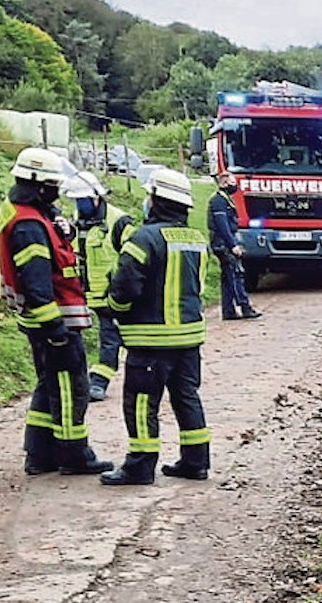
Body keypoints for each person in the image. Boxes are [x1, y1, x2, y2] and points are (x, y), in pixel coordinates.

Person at [0, 147, 111, 477]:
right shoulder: (29, 226)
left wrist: (62, 229)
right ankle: (74, 454)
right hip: (52, 321)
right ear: (35, 184)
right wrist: (55, 329)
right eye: (51, 186)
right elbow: (36, 282)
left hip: (48, 318)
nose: (56, 191)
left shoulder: (30, 214)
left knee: (49, 386)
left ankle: (39, 454)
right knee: (70, 388)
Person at [101, 168, 211, 486]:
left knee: (140, 402)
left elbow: (125, 288)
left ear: (156, 201)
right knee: (186, 397)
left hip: (150, 340)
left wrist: (115, 311)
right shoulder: (196, 239)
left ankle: (139, 466)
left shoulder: (143, 238)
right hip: (189, 338)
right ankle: (196, 461)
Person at [75, 177, 132, 402]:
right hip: (93, 297)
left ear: (96, 197)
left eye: (83, 199)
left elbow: (134, 260)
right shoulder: (79, 222)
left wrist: (121, 288)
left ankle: (98, 382)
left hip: (117, 295)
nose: (80, 204)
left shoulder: (118, 222)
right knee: (116, 338)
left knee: (113, 338)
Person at [207, 171, 261, 321]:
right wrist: (232, 245)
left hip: (223, 242)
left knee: (227, 277)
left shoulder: (224, 199)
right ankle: (245, 307)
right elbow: (222, 225)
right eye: (232, 182)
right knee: (235, 274)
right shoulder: (218, 201)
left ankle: (228, 311)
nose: (234, 185)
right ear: (224, 183)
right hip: (223, 243)